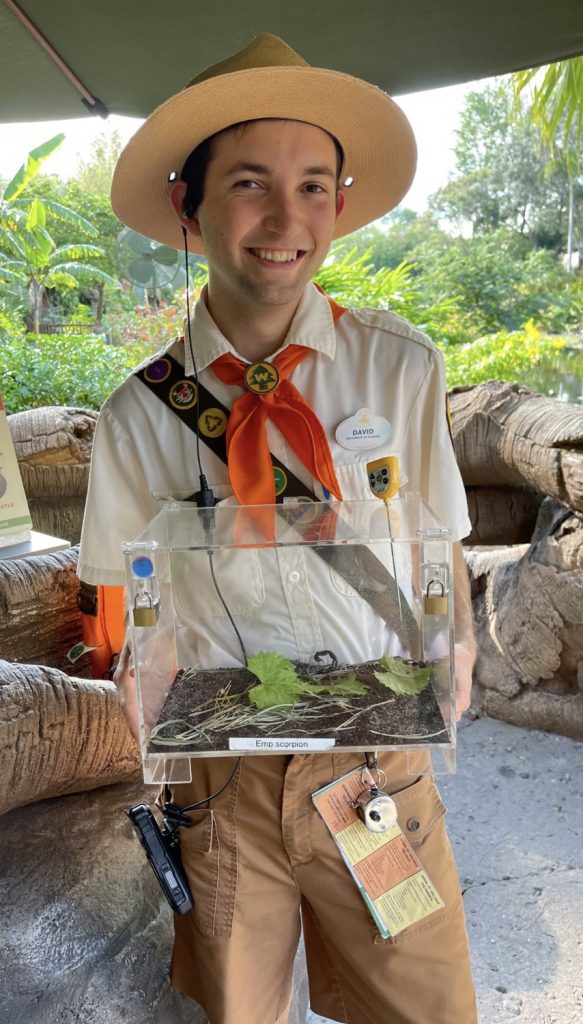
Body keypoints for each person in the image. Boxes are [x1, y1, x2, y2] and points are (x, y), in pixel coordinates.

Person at [78, 33, 478, 1024]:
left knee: (424, 1005)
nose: (283, 217)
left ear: (339, 204)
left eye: (311, 185)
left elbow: (445, 544)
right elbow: (122, 599)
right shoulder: (139, 415)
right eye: (249, 183)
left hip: (370, 772)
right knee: (237, 1012)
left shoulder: (399, 368)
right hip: (223, 791)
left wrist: (458, 643)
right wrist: (135, 662)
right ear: (190, 202)